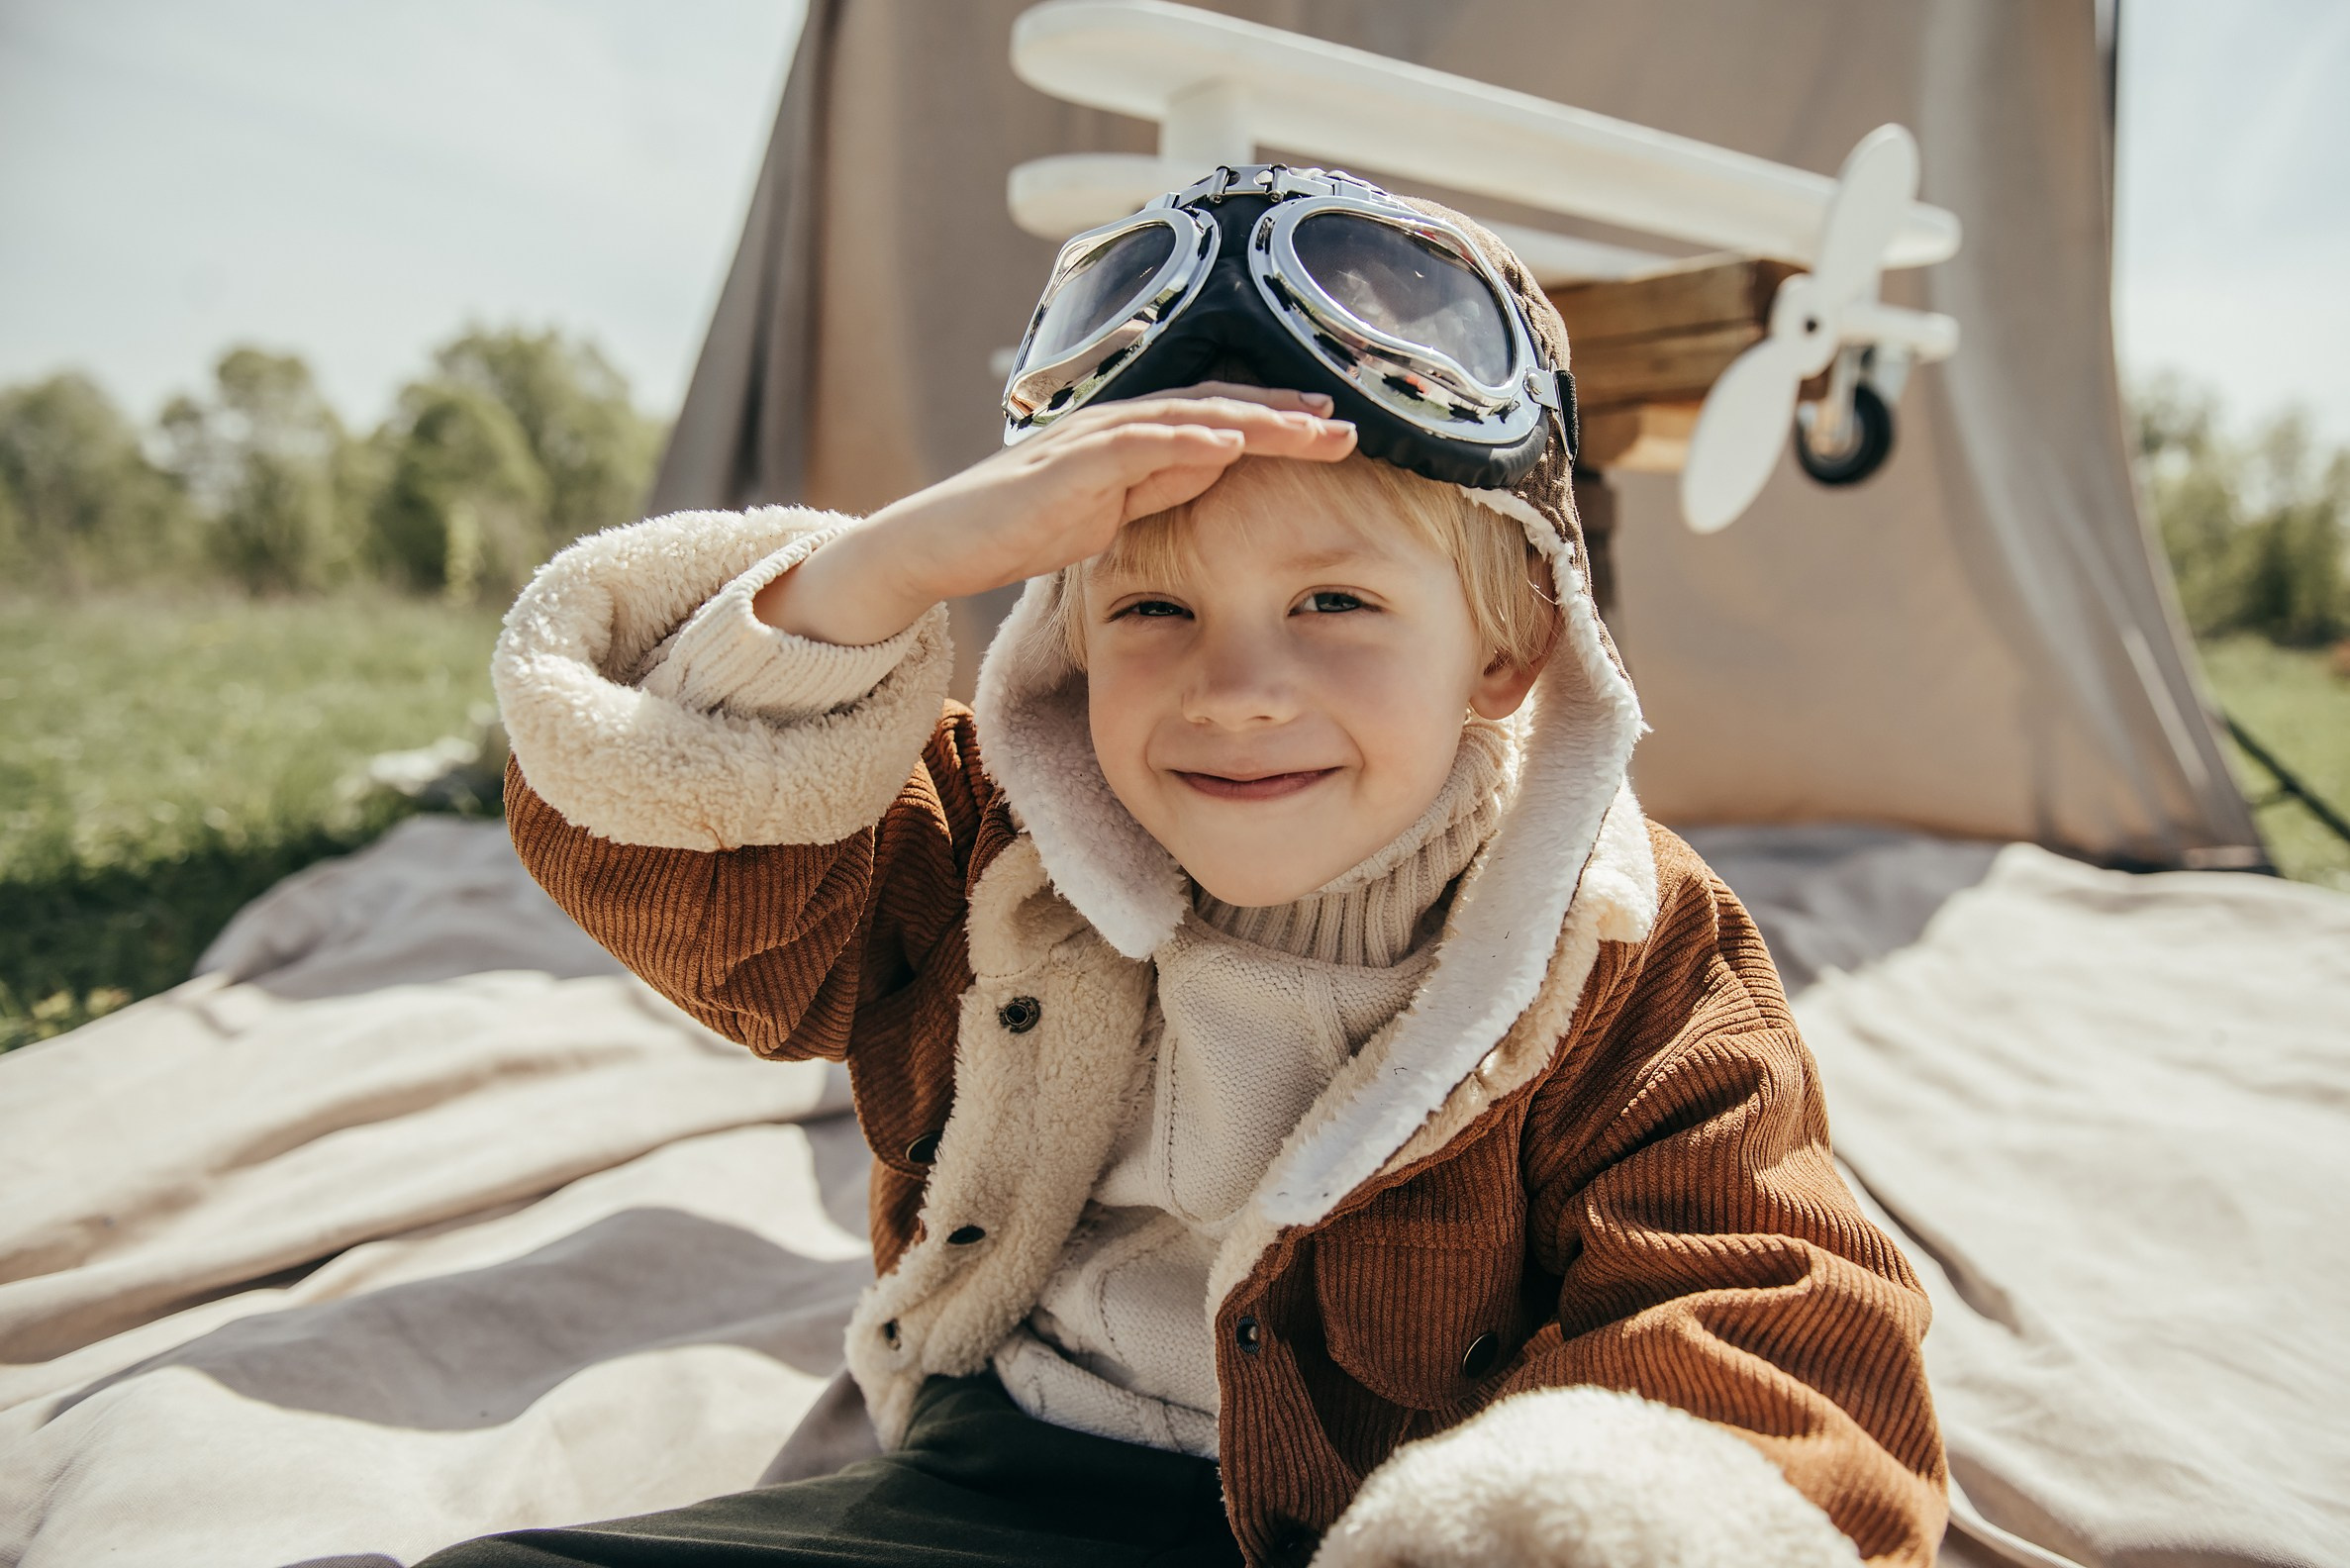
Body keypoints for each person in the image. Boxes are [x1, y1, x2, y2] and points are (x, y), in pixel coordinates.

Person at [431, 168, 1943, 1568]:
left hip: (1395, 1521)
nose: (1236, 691)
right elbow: (651, 834)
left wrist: (1549, 1528)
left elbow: (1768, 1319)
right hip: (999, 1479)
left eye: (1334, 603)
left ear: (1506, 651)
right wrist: (882, 568)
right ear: (1068, 637)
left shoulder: (1620, 952)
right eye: (1151, 610)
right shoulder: (986, 852)